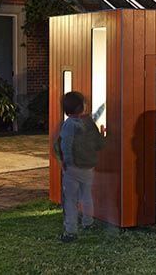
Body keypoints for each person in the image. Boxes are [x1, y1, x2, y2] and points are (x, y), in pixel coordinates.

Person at [54, 91, 107, 243]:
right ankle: (88, 222)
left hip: (72, 168)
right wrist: (103, 132)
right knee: (86, 195)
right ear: (81, 107)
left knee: (70, 200)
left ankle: (70, 231)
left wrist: (66, 162)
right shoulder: (89, 122)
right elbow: (99, 144)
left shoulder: (68, 125)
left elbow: (66, 144)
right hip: (88, 167)